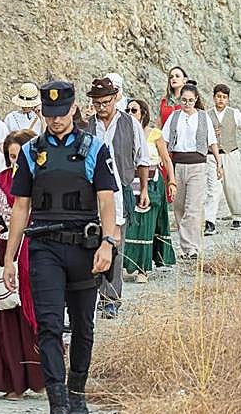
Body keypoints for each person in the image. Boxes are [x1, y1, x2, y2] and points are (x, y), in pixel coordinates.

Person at [2, 81, 118, 414]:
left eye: (61, 113)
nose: (55, 120)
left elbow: (107, 201)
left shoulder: (95, 148)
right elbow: (21, 207)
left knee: (83, 325)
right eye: (48, 114)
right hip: (44, 247)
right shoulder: (30, 152)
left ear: (73, 109)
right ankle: (58, 405)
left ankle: (77, 390)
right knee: (50, 326)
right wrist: (10, 257)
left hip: (83, 247)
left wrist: (108, 243)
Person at [0, 131, 44, 399]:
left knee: (36, 317)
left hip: (36, 252)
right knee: (5, 317)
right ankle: (13, 382)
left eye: (22, 157)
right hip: (3, 251)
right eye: (12, 157)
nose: (17, 162)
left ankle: (41, 379)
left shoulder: (45, 182)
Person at [85, 77, 147, 317]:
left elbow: (141, 158)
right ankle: (92, 294)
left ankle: (111, 298)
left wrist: (142, 189)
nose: (102, 107)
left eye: (106, 102)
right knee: (91, 241)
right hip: (92, 192)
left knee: (115, 244)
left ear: (115, 98)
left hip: (120, 189)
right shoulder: (87, 126)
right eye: (98, 103)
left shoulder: (130, 124)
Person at [162, 83, 222, 261]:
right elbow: (164, 141)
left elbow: (212, 142)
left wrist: (219, 164)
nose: (187, 103)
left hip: (198, 165)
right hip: (178, 165)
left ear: (196, 100)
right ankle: (186, 244)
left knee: (193, 208)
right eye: (183, 100)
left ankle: (191, 248)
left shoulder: (203, 117)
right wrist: (161, 159)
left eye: (190, 100)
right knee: (179, 207)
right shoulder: (174, 117)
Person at [123, 99, 176, 281]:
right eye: (127, 110)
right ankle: (128, 263)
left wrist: (172, 182)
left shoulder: (155, 134)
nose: (130, 113)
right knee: (131, 225)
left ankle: (142, 270)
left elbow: (166, 159)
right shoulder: (124, 134)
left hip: (152, 182)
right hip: (131, 182)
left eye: (134, 110)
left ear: (143, 113)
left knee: (146, 225)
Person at [206, 85, 241, 231]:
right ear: (213, 97)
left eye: (224, 97)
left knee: (234, 186)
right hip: (212, 156)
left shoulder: (234, 113)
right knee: (213, 189)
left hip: (231, 153)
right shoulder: (206, 115)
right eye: (218, 96)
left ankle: (238, 216)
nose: (221, 100)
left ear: (228, 99)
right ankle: (209, 221)